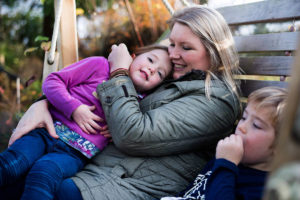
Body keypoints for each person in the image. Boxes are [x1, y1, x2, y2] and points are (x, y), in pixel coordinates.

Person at [7, 5, 241, 200]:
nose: (172, 55)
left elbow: (133, 134)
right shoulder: (171, 75)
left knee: (33, 181)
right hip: (92, 164)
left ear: (213, 51)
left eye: (186, 48)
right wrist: (44, 103)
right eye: (172, 44)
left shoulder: (216, 100)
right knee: (16, 170)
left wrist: (120, 71)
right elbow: (89, 93)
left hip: (118, 184)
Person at [0, 45, 172, 200]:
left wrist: (117, 130)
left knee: (44, 174)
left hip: (74, 154)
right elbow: (53, 82)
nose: (152, 68)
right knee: (13, 163)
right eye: (150, 59)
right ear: (132, 56)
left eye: (160, 73)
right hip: (45, 132)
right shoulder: (100, 66)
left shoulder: (137, 103)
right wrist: (74, 108)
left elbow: (132, 128)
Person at [161, 86, 288, 200]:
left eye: (256, 125)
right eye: (244, 118)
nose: (242, 127)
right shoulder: (225, 156)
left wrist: (226, 164)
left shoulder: (261, 189)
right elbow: (191, 193)